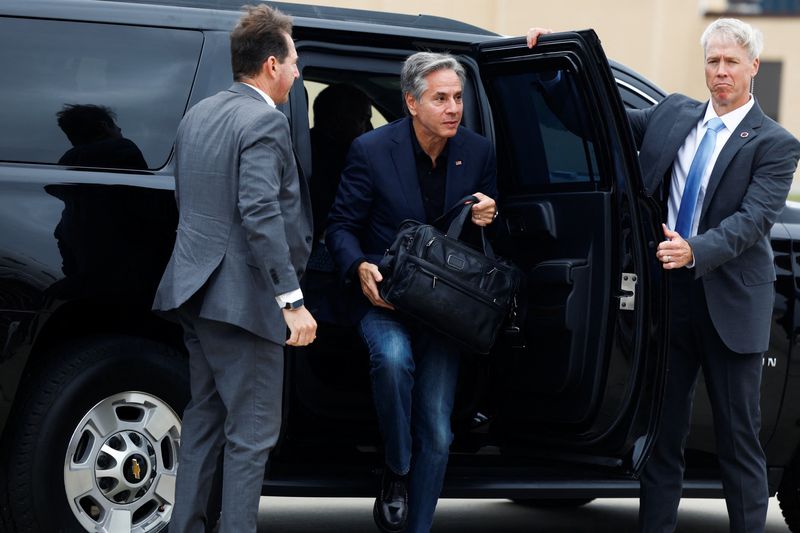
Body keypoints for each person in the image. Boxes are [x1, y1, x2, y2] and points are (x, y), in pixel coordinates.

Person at [528, 17, 800, 533]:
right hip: (668, 301)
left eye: (731, 63)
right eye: (713, 61)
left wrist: (693, 251)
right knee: (663, 435)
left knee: (739, 441)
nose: (720, 72)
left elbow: (752, 221)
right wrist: (550, 72)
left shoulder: (775, 142)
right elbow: (596, 123)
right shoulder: (674, 114)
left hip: (730, 303)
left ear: (753, 68)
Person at [152, 5, 316, 532]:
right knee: (252, 435)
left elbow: (191, 203)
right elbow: (260, 211)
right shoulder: (264, 120)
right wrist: (291, 301)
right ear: (271, 63)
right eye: (294, 61)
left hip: (197, 295)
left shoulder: (198, 114)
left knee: (204, 422)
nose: (297, 71)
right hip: (245, 303)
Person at [326, 52, 498, 533]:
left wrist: (490, 215)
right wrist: (358, 265)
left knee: (439, 434)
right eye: (439, 98)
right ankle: (397, 468)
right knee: (394, 360)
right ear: (411, 103)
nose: (452, 108)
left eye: (458, 97)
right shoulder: (371, 150)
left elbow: (485, 240)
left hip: (445, 308)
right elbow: (341, 226)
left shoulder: (478, 152)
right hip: (386, 295)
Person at [56, 103, 147, 169]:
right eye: (114, 126)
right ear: (104, 126)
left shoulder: (65, 163)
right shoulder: (124, 149)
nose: (119, 129)